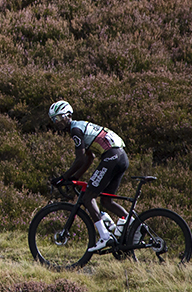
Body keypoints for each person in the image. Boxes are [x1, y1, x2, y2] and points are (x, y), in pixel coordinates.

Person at [48, 100, 130, 252]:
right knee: (106, 201)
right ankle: (130, 222)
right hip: (121, 156)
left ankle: (105, 237)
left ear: (68, 115)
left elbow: (80, 159)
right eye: (54, 119)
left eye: (59, 118)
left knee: (87, 197)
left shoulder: (75, 130)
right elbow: (89, 158)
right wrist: (76, 178)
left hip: (111, 156)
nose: (57, 122)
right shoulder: (81, 126)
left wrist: (63, 177)